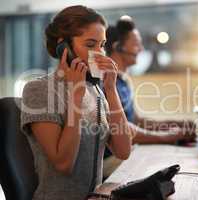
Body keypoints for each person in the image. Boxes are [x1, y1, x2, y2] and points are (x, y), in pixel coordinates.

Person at [20, 6, 132, 200]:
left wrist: (111, 90)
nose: (99, 53)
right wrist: (76, 97)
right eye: (90, 45)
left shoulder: (96, 90)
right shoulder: (38, 90)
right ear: (64, 47)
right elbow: (63, 164)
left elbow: (123, 151)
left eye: (102, 45)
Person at [102, 18, 196, 177]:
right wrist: (168, 136)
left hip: (127, 152)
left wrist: (175, 124)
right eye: (136, 44)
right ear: (118, 47)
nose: (141, 49)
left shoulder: (124, 79)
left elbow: (136, 121)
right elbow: (123, 129)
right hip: (110, 160)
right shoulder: (107, 82)